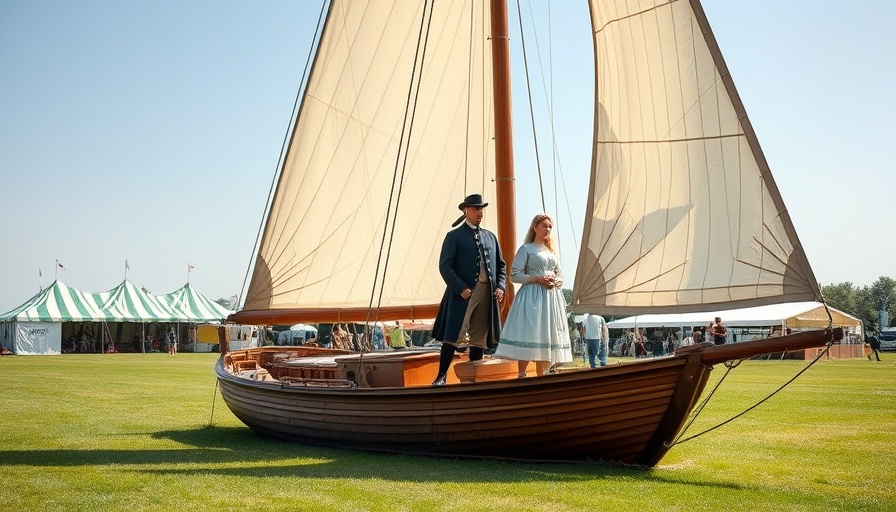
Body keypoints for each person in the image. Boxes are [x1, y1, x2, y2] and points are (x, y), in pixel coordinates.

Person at [430, 194, 507, 386]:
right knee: (453, 334)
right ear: (466, 211)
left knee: (479, 337)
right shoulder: (454, 236)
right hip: (462, 294)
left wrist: (500, 287)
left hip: (487, 293)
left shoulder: (490, 237)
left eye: (481, 209)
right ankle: (441, 376)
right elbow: (445, 266)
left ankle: (473, 377)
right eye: (475, 209)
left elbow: (501, 266)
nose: (479, 212)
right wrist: (460, 288)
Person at [495, 214, 572, 368]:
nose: (548, 229)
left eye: (550, 226)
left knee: (547, 334)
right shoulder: (526, 249)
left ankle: (543, 375)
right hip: (532, 296)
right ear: (535, 228)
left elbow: (560, 275)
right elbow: (514, 275)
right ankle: (522, 374)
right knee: (530, 331)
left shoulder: (551, 251)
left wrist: (557, 281)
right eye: (544, 225)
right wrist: (537, 279)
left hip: (550, 297)